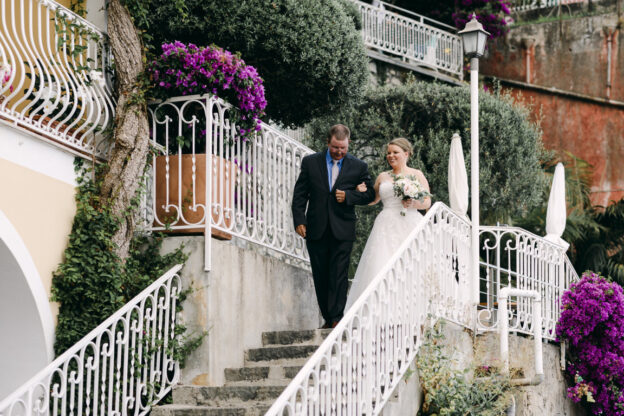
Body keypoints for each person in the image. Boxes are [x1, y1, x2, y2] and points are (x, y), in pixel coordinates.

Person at [292, 124, 376, 329]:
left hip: (343, 229)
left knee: (338, 273)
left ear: (348, 144)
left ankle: (337, 317)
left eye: (343, 148)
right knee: (320, 274)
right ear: (328, 143)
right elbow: (300, 195)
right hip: (316, 227)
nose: (339, 151)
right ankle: (328, 318)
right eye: (335, 147)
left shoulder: (359, 166)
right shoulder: (310, 162)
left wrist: (349, 196)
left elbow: (370, 195)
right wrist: (299, 220)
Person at [345, 138, 431, 311]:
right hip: (385, 225)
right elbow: (373, 200)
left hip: (410, 223)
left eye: (395, 152)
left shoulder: (416, 174)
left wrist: (413, 203)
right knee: (381, 265)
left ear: (406, 154)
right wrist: (360, 193)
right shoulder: (383, 176)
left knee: (410, 266)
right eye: (389, 153)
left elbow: (427, 202)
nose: (391, 156)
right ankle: (383, 311)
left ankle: (412, 311)